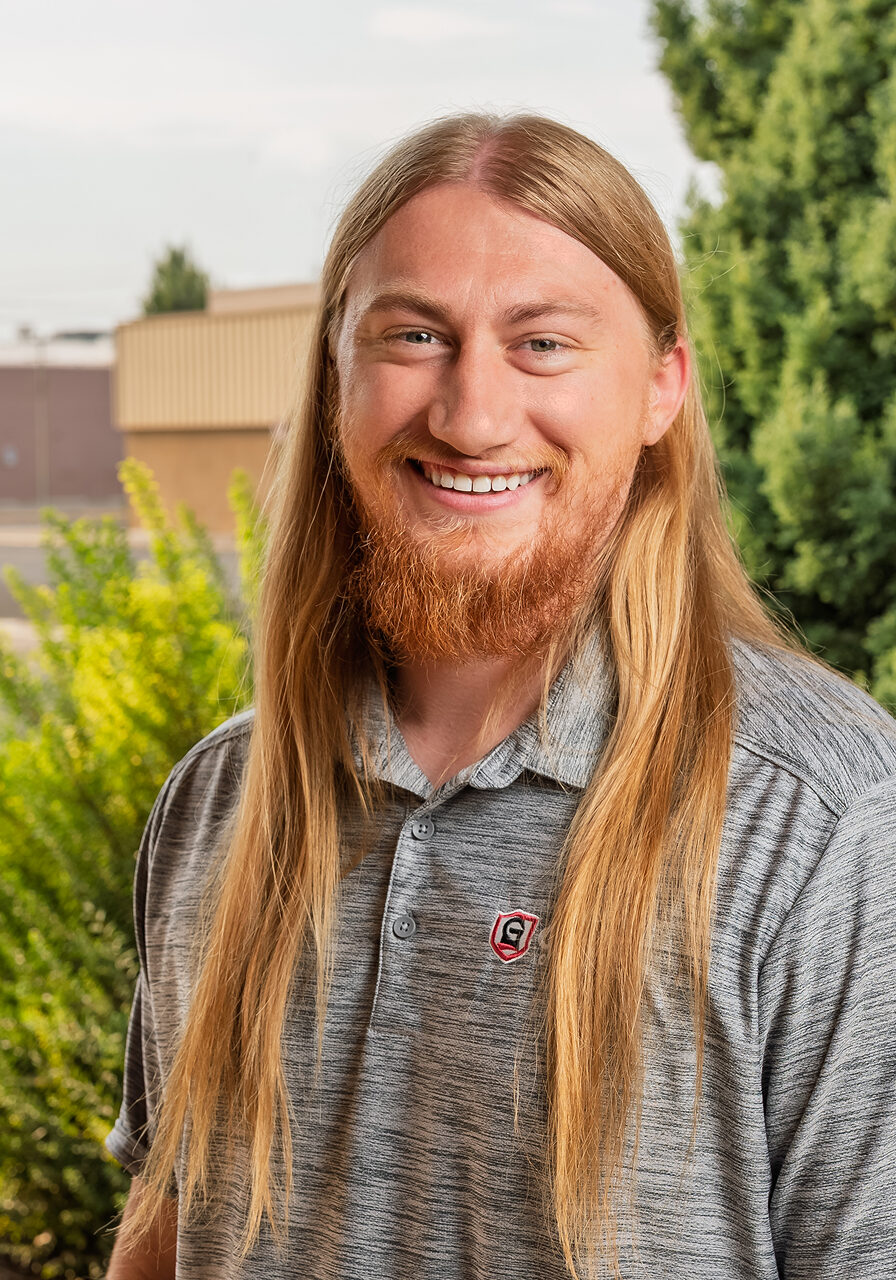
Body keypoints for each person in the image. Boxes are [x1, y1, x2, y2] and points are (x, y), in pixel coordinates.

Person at [105, 113, 896, 1280]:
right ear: (334, 376)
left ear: (661, 386)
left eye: (542, 344)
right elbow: (168, 1229)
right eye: (414, 335)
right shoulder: (222, 795)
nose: (471, 415)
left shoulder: (825, 823)